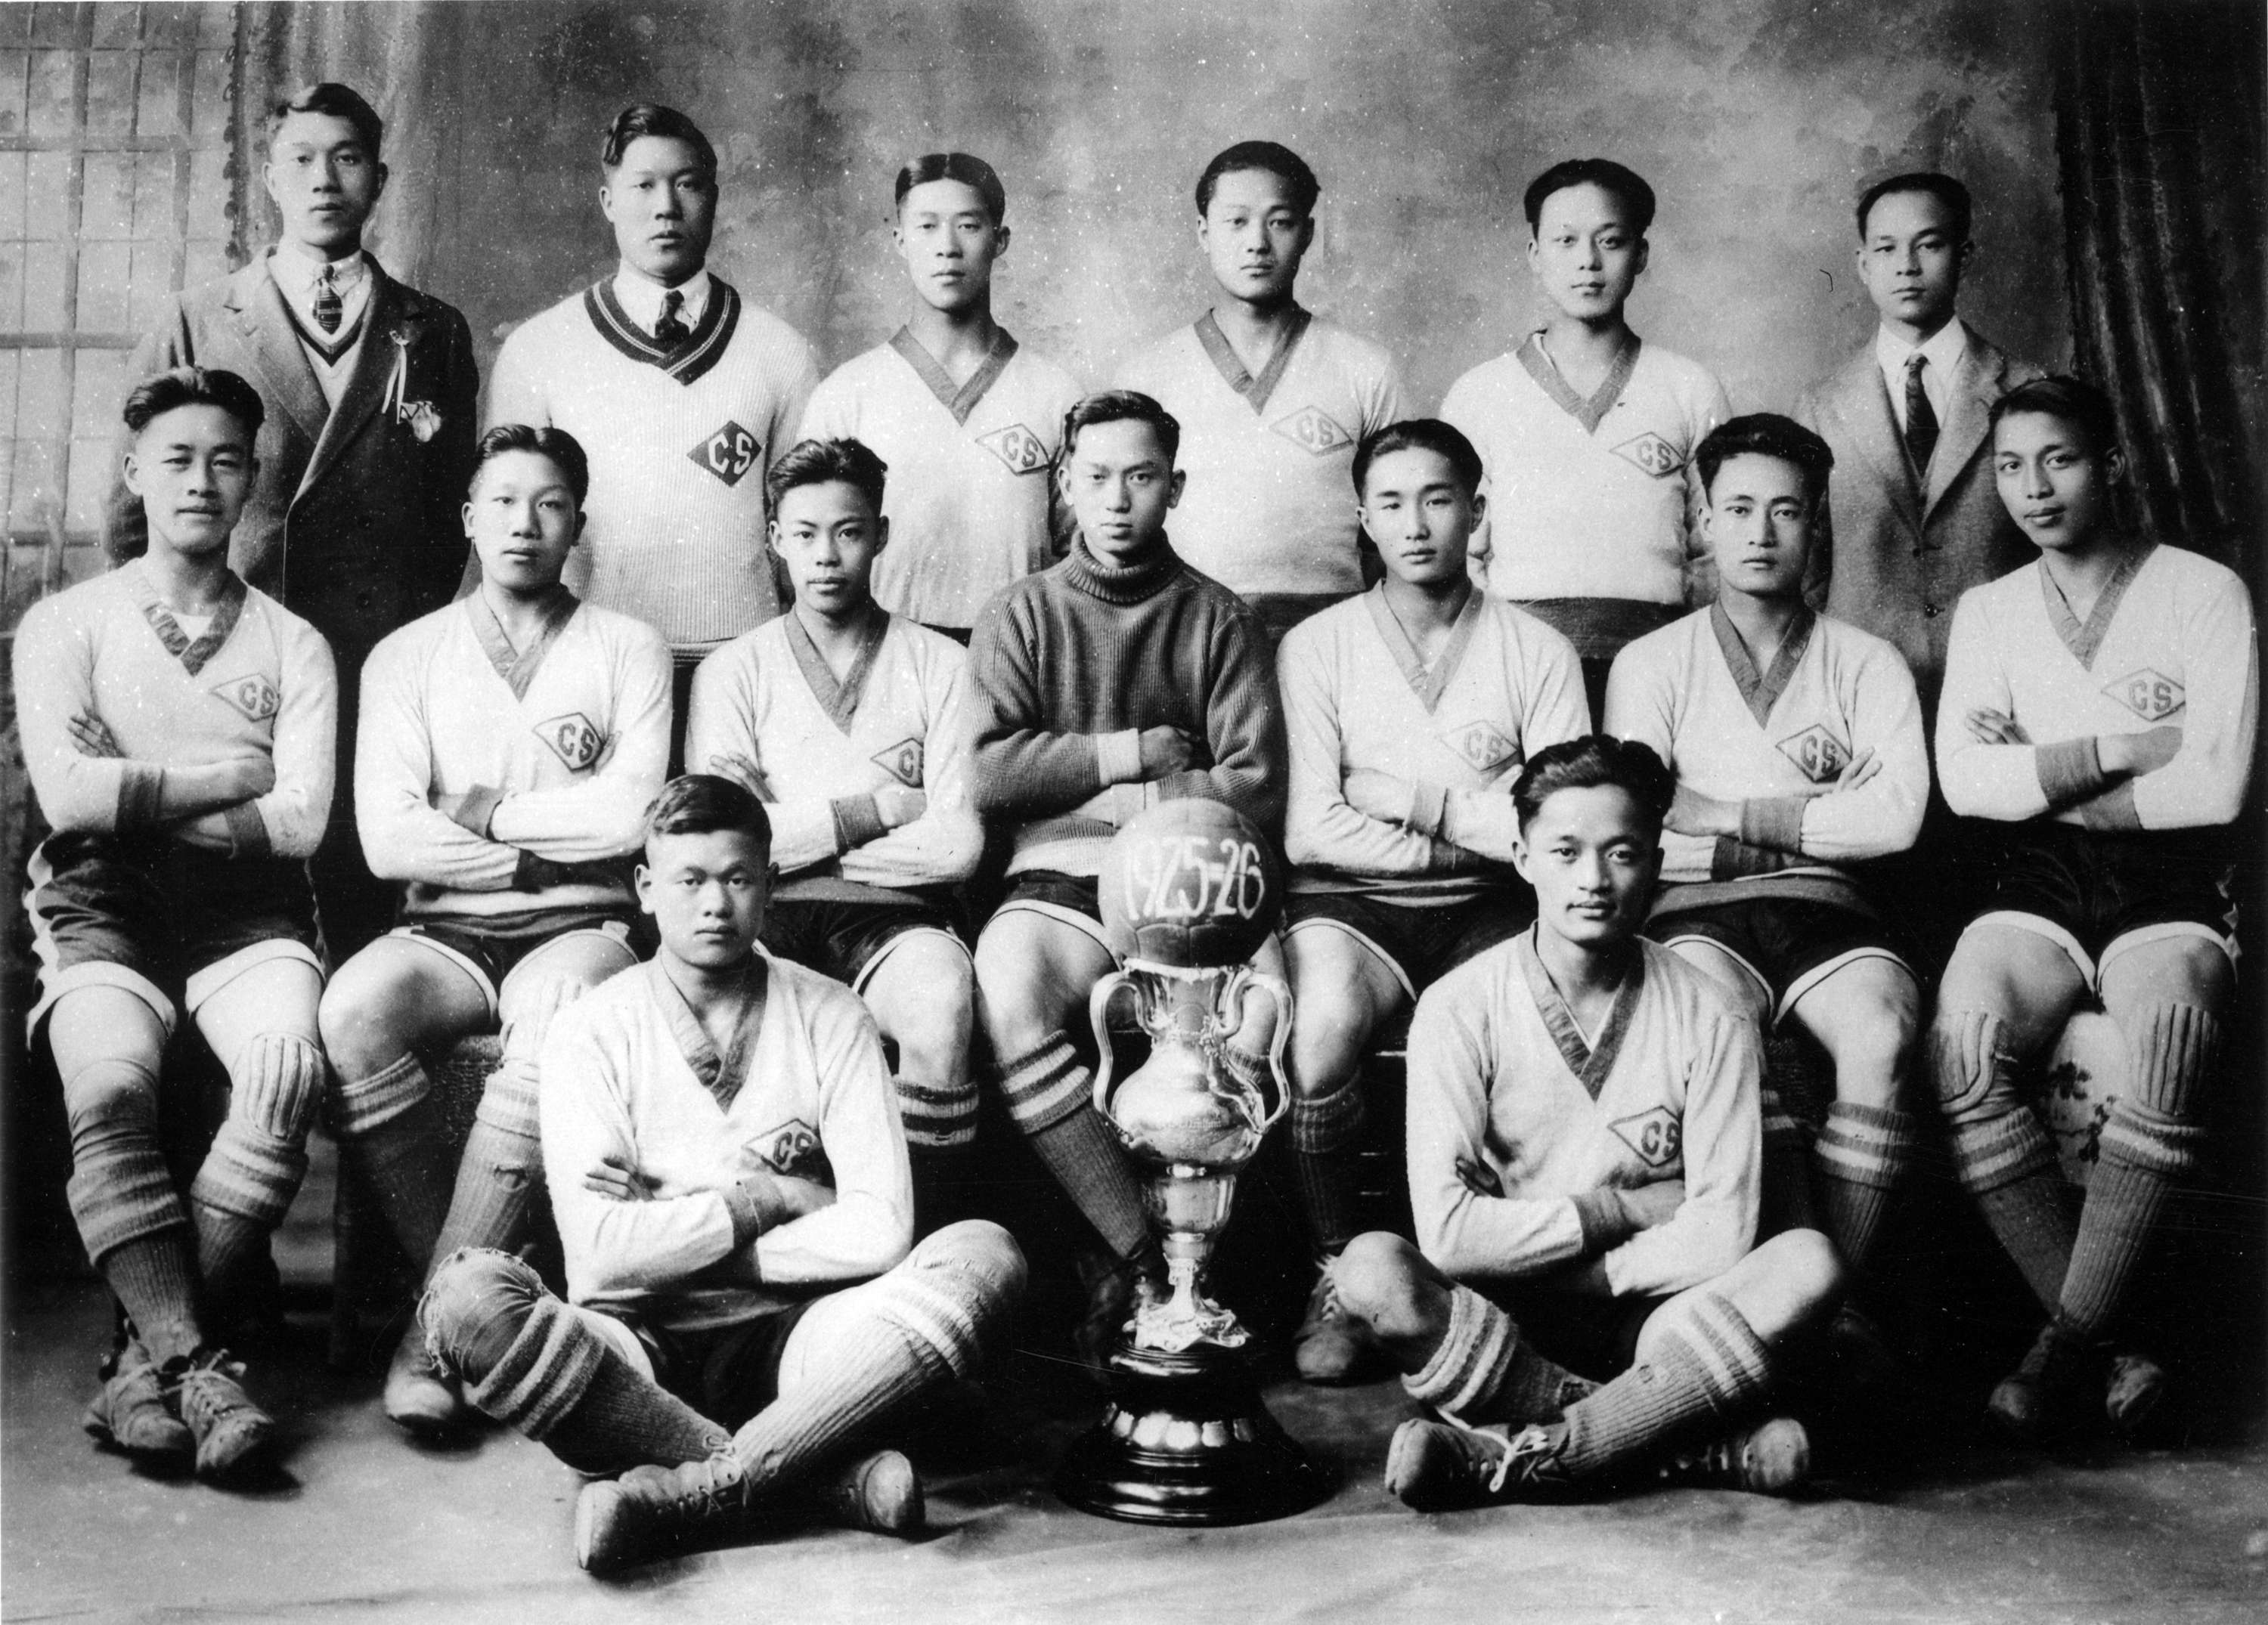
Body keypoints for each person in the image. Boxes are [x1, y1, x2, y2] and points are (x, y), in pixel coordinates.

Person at [417, 775, 1026, 1574]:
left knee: (987, 1252)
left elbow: (880, 1228)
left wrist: (676, 1231)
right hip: (638, 1342)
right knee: (465, 1301)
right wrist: (764, 1199)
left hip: (800, 1338)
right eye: (690, 880)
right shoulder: (590, 1028)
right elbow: (601, 1253)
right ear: (645, 888)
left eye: (738, 878)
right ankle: (827, 1477)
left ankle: (695, 1492)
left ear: (770, 885)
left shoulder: (833, 1011)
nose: (715, 904)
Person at [1327, 737, 1845, 1508]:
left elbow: (1722, 1233)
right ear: (1522, 855)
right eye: (1565, 850)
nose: (1594, 879)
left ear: (1658, 859)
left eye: (1622, 852)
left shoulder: (1711, 1009)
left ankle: (1534, 1452)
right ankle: (1688, 1443)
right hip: (1510, 1316)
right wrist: (1623, 1209)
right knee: (1371, 1267)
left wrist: (1546, 1247)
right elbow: (1448, 1235)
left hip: (1658, 1320)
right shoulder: (1461, 1005)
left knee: (1809, 1261)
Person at [318, 424, 670, 1435]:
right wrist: (531, 848)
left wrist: (475, 813)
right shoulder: (406, 655)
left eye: (550, 502)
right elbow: (389, 840)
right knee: (350, 1012)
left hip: (581, 923)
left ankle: (431, 1332)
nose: (526, 522)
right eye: (504, 501)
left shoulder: (626, 645)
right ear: (469, 519)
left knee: (557, 1014)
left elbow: (629, 817)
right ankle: (482, 1301)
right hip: (444, 929)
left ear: (578, 525)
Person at [19, 367, 338, 1480]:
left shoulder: (293, 643)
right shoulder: (68, 622)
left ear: (253, 476)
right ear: (134, 472)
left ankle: (141, 1357)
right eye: (177, 458)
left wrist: (143, 786)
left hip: (248, 913)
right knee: (108, 1087)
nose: (202, 481)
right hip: (102, 897)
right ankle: (189, 1356)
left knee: (287, 1068)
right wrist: (220, 774)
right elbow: (69, 799)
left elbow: (299, 819)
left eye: (225, 459)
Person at [1928, 376, 2255, 1442]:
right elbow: (1970, 788)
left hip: (2174, 876)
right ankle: (2112, 1346)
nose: (2034, 487)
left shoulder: (2203, 592)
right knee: (1965, 1049)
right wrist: (2124, 746)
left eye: (2059, 459)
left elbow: (2215, 790)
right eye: (2012, 466)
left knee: (2171, 1035)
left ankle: (2061, 1349)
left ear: (2111, 463)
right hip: (2035, 878)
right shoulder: (1990, 610)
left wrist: (2041, 767)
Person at [103, 82, 479, 958]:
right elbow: (129, 521)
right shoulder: (198, 321)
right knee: (220, 883)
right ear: (271, 178)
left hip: (368, 657)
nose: (324, 179)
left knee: (353, 883)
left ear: (379, 180)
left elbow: (448, 521)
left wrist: (391, 634)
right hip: (228, 651)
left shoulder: (433, 331)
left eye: (347, 159)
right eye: (302, 160)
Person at [966, 389, 1286, 1359]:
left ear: (1174, 486)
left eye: (1141, 477)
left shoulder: (1218, 617)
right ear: (1065, 482)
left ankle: (1221, 1269)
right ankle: (1142, 1260)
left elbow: (1256, 788)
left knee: (1269, 1012)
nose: (1117, 500)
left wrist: (1101, 793)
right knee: (1009, 986)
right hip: (1063, 877)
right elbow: (988, 773)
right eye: (1097, 477)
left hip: (1199, 878)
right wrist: (1132, 753)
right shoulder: (1019, 612)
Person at [1606, 414, 1926, 1351]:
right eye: (1737, 508)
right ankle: (1769, 1278)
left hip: (1832, 914)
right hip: (1695, 915)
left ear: (1817, 526)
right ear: (1702, 521)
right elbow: (1647, 828)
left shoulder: (1867, 662)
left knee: (1885, 1028)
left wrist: (1728, 813)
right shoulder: (1652, 663)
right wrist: (1817, 822)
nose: (1760, 532)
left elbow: (1898, 822)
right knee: (1715, 1024)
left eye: (1786, 511)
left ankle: (1843, 1294)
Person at [1277, 419, 1588, 1382]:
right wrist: (1481, 819)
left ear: (1478, 512)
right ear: (1364, 519)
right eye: (1393, 502)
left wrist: (1412, 797)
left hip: (1491, 909)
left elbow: (1557, 833)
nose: (1417, 524)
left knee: (1524, 1035)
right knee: (1323, 1027)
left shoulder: (1539, 650)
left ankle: (1502, 1277)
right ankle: (1337, 1272)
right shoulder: (1316, 645)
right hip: (1351, 906)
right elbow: (1312, 831)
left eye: (1439, 498)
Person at [687, 438, 984, 1230]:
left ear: (880, 535)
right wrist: (885, 806)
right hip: (761, 916)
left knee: (941, 1006)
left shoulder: (941, 664)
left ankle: (933, 1245)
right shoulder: (733, 672)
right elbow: (725, 846)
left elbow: (958, 843)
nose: (826, 555)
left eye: (848, 532)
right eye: (806, 533)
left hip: (896, 917)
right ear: (774, 541)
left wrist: (791, 823)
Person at [486, 103, 822, 760]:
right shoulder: (540, 348)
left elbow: (803, 538)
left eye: (687, 183)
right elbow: (508, 534)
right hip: (588, 670)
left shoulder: (780, 352)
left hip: (740, 675)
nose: (666, 206)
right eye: (644, 186)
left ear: (715, 198)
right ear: (608, 200)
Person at [1796, 173, 2046, 966]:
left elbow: (2059, 566)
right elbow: (1805, 582)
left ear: (1964, 255)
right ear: (1862, 264)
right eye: (1886, 249)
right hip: (1871, 718)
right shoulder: (1820, 406)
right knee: (1884, 936)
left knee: (1989, 927)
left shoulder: (2030, 391)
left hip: (1996, 716)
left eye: (1930, 244)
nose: (1908, 266)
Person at [1440, 158, 1729, 723]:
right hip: (1518, 671)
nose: (1588, 262)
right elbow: (1460, 557)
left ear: (1640, 254)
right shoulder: (1480, 394)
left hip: (1662, 665)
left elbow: (1715, 551)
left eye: (1611, 241)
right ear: (1534, 255)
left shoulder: (1689, 387)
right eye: (1566, 240)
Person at [1114, 141, 1407, 637]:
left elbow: (1397, 530)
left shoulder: (1364, 369)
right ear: (1204, 233)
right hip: (1183, 636)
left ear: (1308, 233)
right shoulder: (1146, 376)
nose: (1257, 243)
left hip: (1333, 636)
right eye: (1236, 222)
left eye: (1279, 221)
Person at [798, 153, 1083, 640]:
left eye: (969, 226)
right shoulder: (847, 395)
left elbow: (1083, 554)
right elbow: (807, 556)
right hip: (886, 659)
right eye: (927, 226)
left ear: (1000, 240)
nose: (947, 248)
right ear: (900, 240)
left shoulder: (1055, 393)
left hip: (1024, 658)